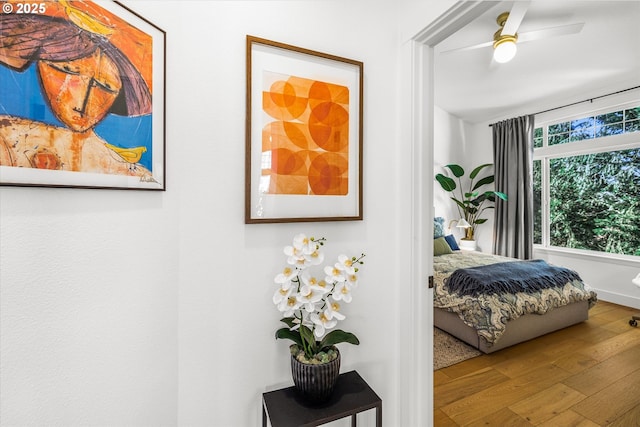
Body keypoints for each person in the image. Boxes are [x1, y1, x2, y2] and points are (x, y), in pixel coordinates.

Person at [0, 11, 153, 176]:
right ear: (39, 64)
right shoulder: (6, 140)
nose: (81, 102)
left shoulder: (131, 173)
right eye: (65, 70)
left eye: (105, 86)